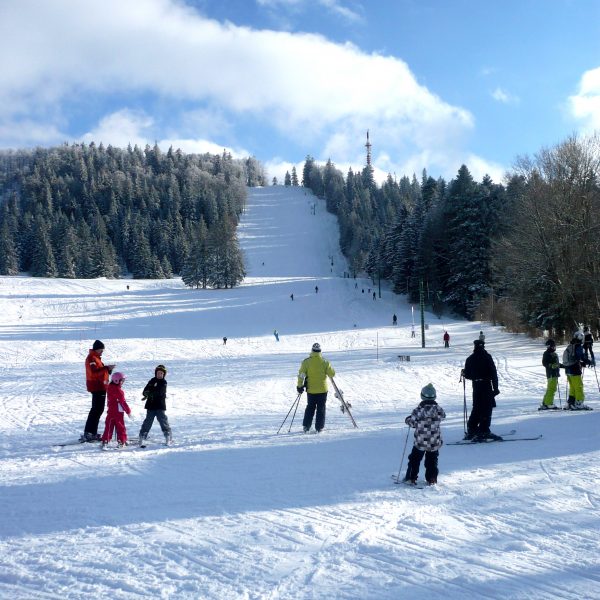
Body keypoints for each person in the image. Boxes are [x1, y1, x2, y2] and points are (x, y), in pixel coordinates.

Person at [403, 383, 446, 486]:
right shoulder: (439, 410)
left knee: (414, 459)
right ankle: (432, 479)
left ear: (422, 396)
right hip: (434, 442)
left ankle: (411, 478)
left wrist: (408, 420)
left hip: (420, 442)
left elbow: (412, 422)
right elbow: (443, 417)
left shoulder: (418, 410)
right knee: (432, 461)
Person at [462, 339, 501, 441]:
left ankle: (472, 429)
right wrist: (496, 388)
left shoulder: (470, 358)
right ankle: (483, 430)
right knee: (487, 407)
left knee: (477, 407)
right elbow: (493, 373)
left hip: (476, 386)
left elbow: (468, 375)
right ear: (483, 346)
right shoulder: (487, 357)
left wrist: (465, 373)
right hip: (486, 385)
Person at [297, 343, 335, 433]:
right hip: (323, 390)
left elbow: (301, 375)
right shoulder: (325, 362)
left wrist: (299, 386)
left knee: (310, 407)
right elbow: (332, 374)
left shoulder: (306, 362)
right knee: (321, 408)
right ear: (320, 351)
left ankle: (306, 426)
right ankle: (319, 427)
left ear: (312, 350)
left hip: (311, 390)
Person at [83, 340, 115, 442]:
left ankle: (91, 432)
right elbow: (94, 373)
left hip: (100, 386)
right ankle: (89, 433)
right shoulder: (92, 358)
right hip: (97, 386)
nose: (102, 352)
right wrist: (106, 368)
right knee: (96, 410)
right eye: (101, 350)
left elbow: (100, 372)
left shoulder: (96, 358)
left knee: (97, 410)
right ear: (97, 349)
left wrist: (108, 370)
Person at [139, 364, 172, 445]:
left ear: (164, 374)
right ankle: (143, 434)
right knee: (148, 421)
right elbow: (145, 390)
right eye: (158, 373)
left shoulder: (164, 382)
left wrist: (151, 393)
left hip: (160, 405)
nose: (159, 375)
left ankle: (167, 434)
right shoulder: (152, 381)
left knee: (162, 420)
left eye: (161, 373)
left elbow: (160, 392)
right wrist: (146, 393)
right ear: (155, 373)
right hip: (150, 405)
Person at [100, 372, 131, 448]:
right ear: (117, 381)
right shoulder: (119, 391)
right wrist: (128, 411)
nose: (123, 382)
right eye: (122, 381)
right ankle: (121, 440)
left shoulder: (109, 387)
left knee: (109, 426)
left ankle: (106, 440)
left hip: (110, 411)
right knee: (120, 426)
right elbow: (123, 402)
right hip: (118, 412)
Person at [562, 331, 591, 410]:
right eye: (581, 337)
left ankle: (571, 402)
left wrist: (581, 363)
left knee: (573, 387)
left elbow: (574, 357)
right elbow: (580, 356)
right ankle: (579, 403)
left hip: (568, 370)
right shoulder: (577, 346)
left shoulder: (570, 345)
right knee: (579, 387)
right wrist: (587, 361)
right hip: (574, 370)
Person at [540, 339, 560, 410]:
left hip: (555, 373)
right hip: (551, 374)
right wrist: (551, 365)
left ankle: (545, 402)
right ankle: (549, 403)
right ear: (549, 346)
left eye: (555, 346)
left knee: (550, 388)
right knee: (552, 388)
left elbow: (557, 364)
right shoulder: (547, 353)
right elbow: (544, 363)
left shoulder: (554, 354)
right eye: (553, 346)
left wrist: (564, 366)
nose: (554, 347)